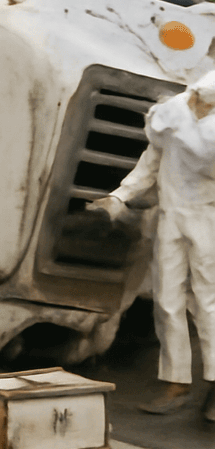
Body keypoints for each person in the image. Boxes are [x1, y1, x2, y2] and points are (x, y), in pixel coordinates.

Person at [90, 70, 215, 419]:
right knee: (169, 300)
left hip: (209, 217)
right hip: (172, 216)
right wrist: (120, 196)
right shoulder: (173, 117)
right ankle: (176, 382)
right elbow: (152, 161)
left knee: (208, 300)